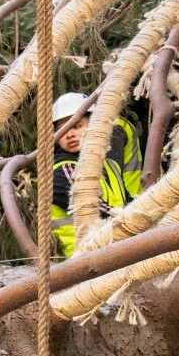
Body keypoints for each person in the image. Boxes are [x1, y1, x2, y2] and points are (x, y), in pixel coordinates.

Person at [49, 91, 146, 258]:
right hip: (82, 258)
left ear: (92, 124)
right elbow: (97, 211)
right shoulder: (63, 171)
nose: (70, 134)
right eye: (62, 130)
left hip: (109, 249)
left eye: (77, 126)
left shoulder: (100, 161)